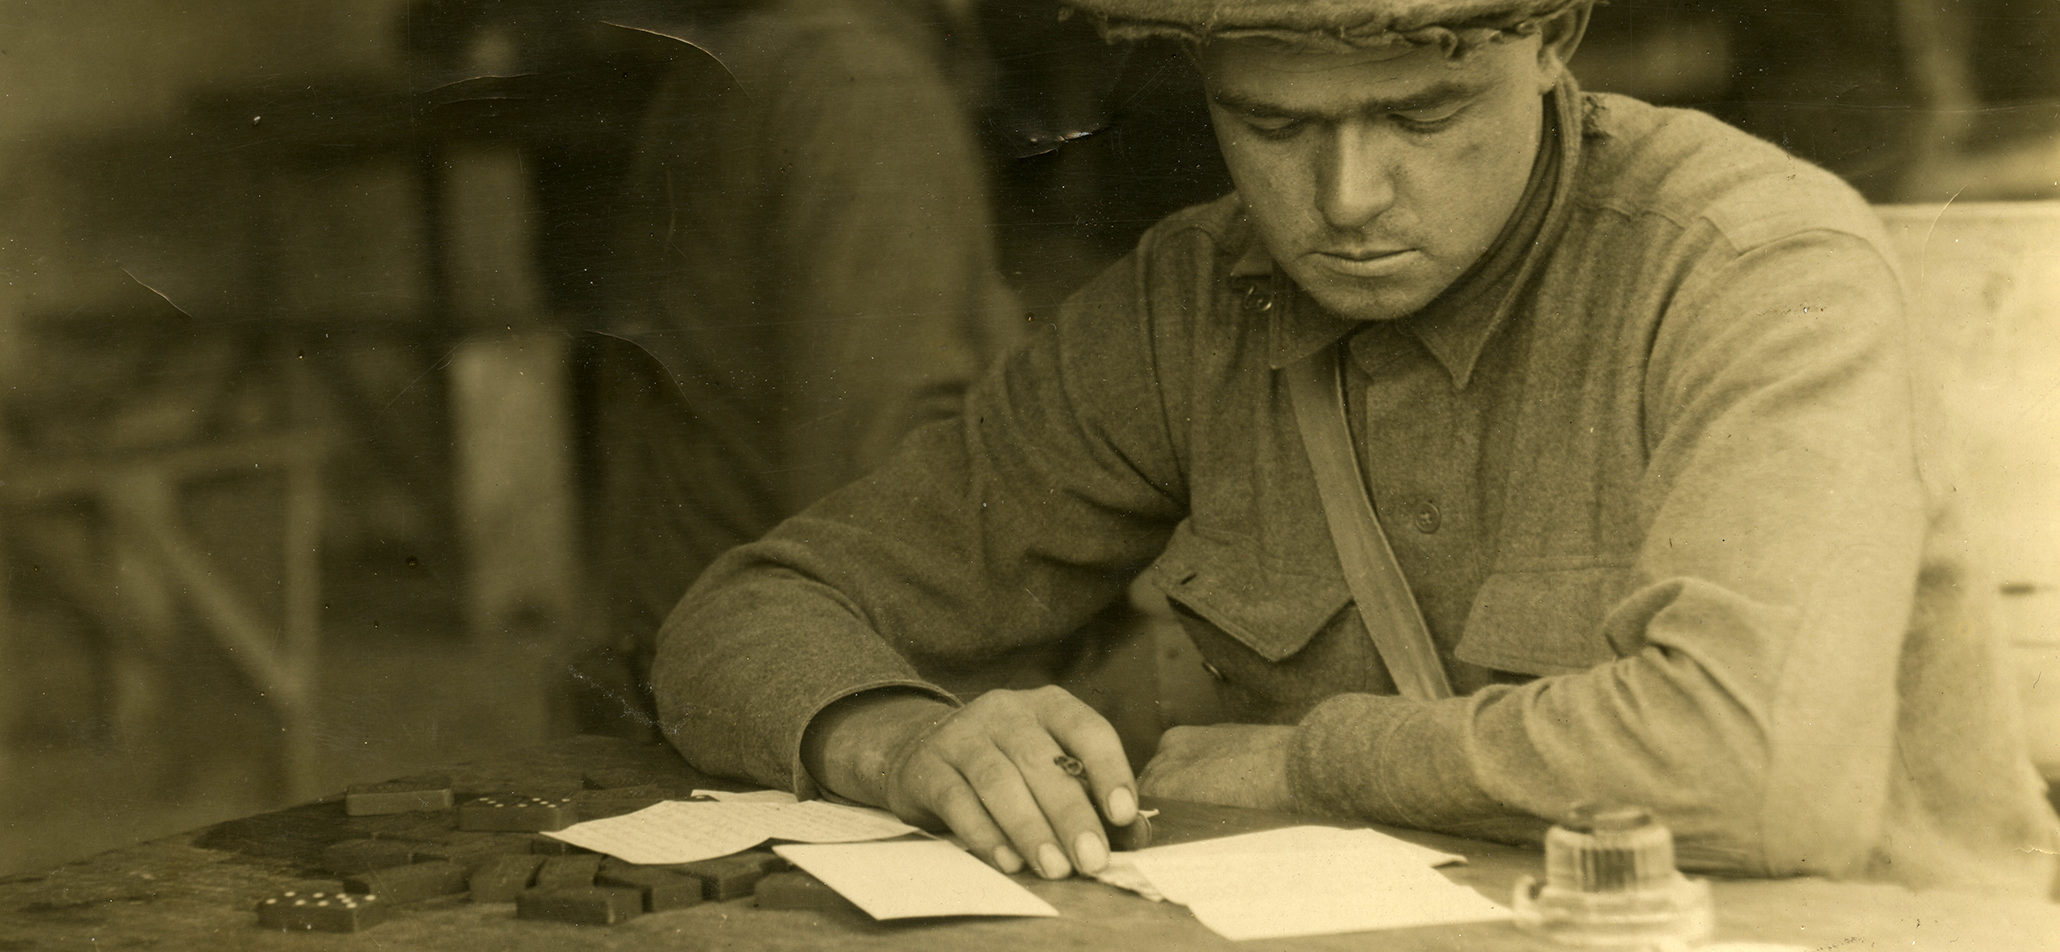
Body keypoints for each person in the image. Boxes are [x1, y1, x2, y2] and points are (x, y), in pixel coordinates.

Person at [650, 0, 2060, 892]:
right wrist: (896, 741)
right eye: (1271, 125)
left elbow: (1756, 779)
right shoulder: (1188, 304)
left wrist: (1300, 762)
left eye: (1422, 113)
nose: (1345, 200)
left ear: (1552, 36)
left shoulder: (1754, 267)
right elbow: (749, 614)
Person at [575, 0, 1024, 729]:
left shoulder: (767, 49)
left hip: (702, 681)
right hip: (775, 713)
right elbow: (885, 507)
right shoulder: (862, 87)